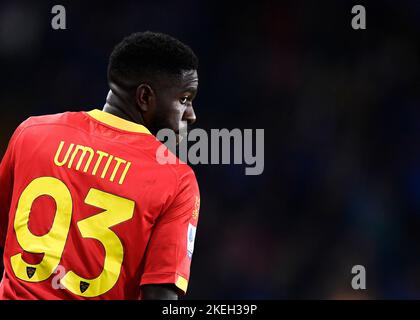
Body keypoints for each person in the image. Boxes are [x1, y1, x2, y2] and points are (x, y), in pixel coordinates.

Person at [0, 31, 200, 300]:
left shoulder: (32, 133)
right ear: (144, 97)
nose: (191, 115)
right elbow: (160, 298)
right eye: (184, 99)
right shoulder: (176, 179)